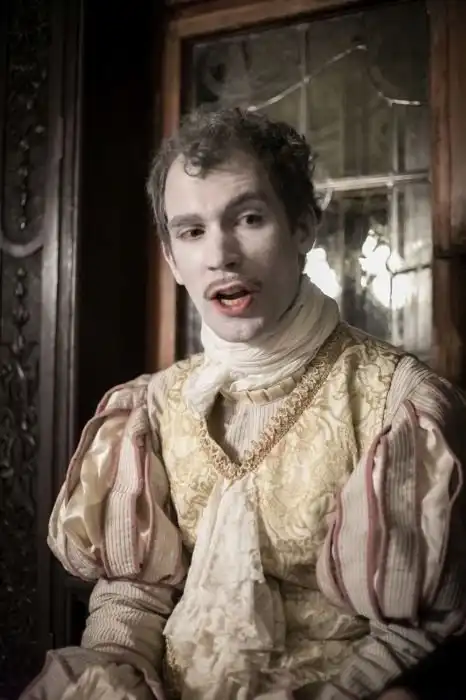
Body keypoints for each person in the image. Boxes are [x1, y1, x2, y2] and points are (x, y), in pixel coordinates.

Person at [21, 108, 466, 700]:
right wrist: (115, 673)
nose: (221, 254)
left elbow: (412, 633)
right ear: (172, 259)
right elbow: (132, 596)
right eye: (191, 231)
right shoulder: (152, 406)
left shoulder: (398, 405)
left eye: (249, 218)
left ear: (303, 228)